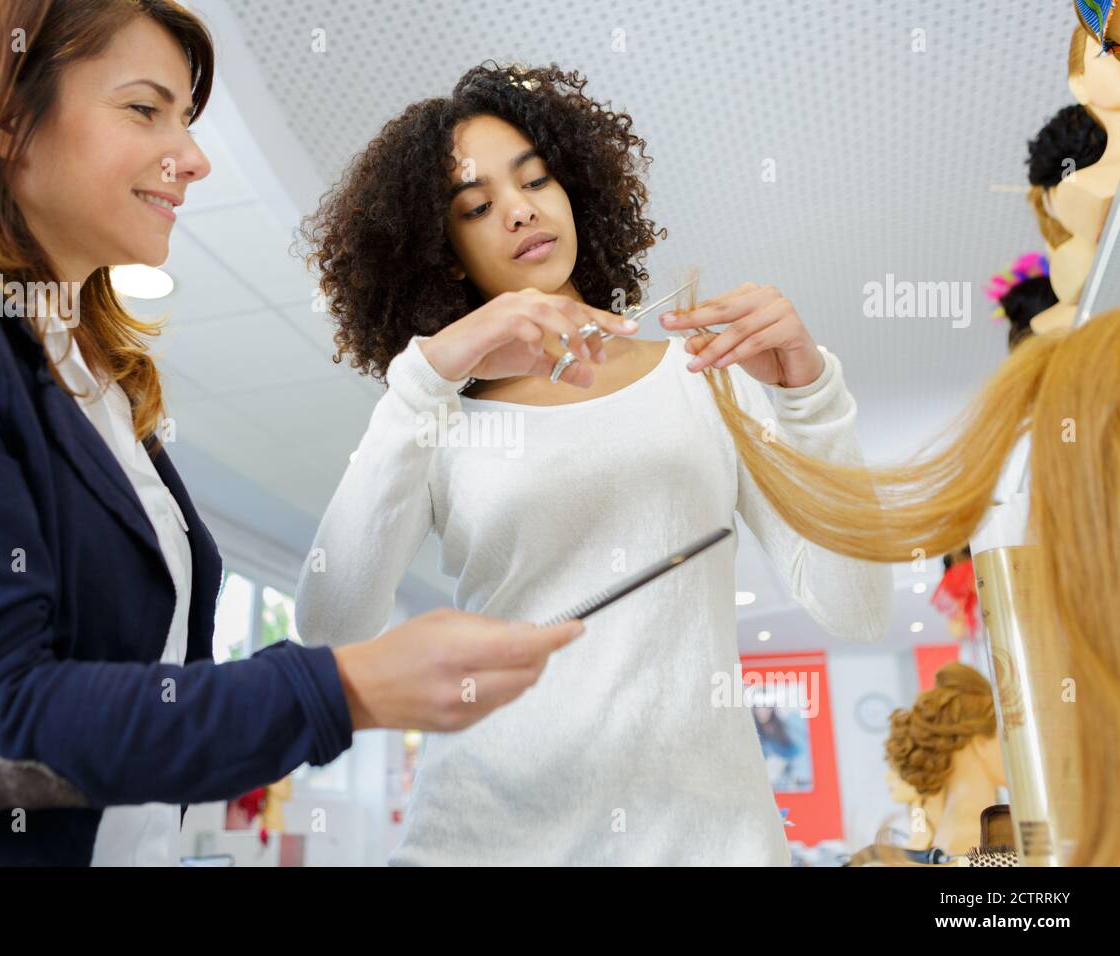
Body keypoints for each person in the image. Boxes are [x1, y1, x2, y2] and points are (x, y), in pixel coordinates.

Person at [0, 1, 582, 867]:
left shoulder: (94, 377)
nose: (193, 157)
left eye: (185, 118)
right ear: (1, 111)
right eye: (145, 110)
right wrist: (348, 689)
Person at [296, 62, 893, 865]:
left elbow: (856, 610)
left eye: (535, 178)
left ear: (574, 187)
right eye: (476, 206)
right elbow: (331, 625)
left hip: (709, 842)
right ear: (443, 253)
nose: (519, 209)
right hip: (481, 839)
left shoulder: (706, 377)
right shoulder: (436, 414)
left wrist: (809, 398)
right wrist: (424, 377)